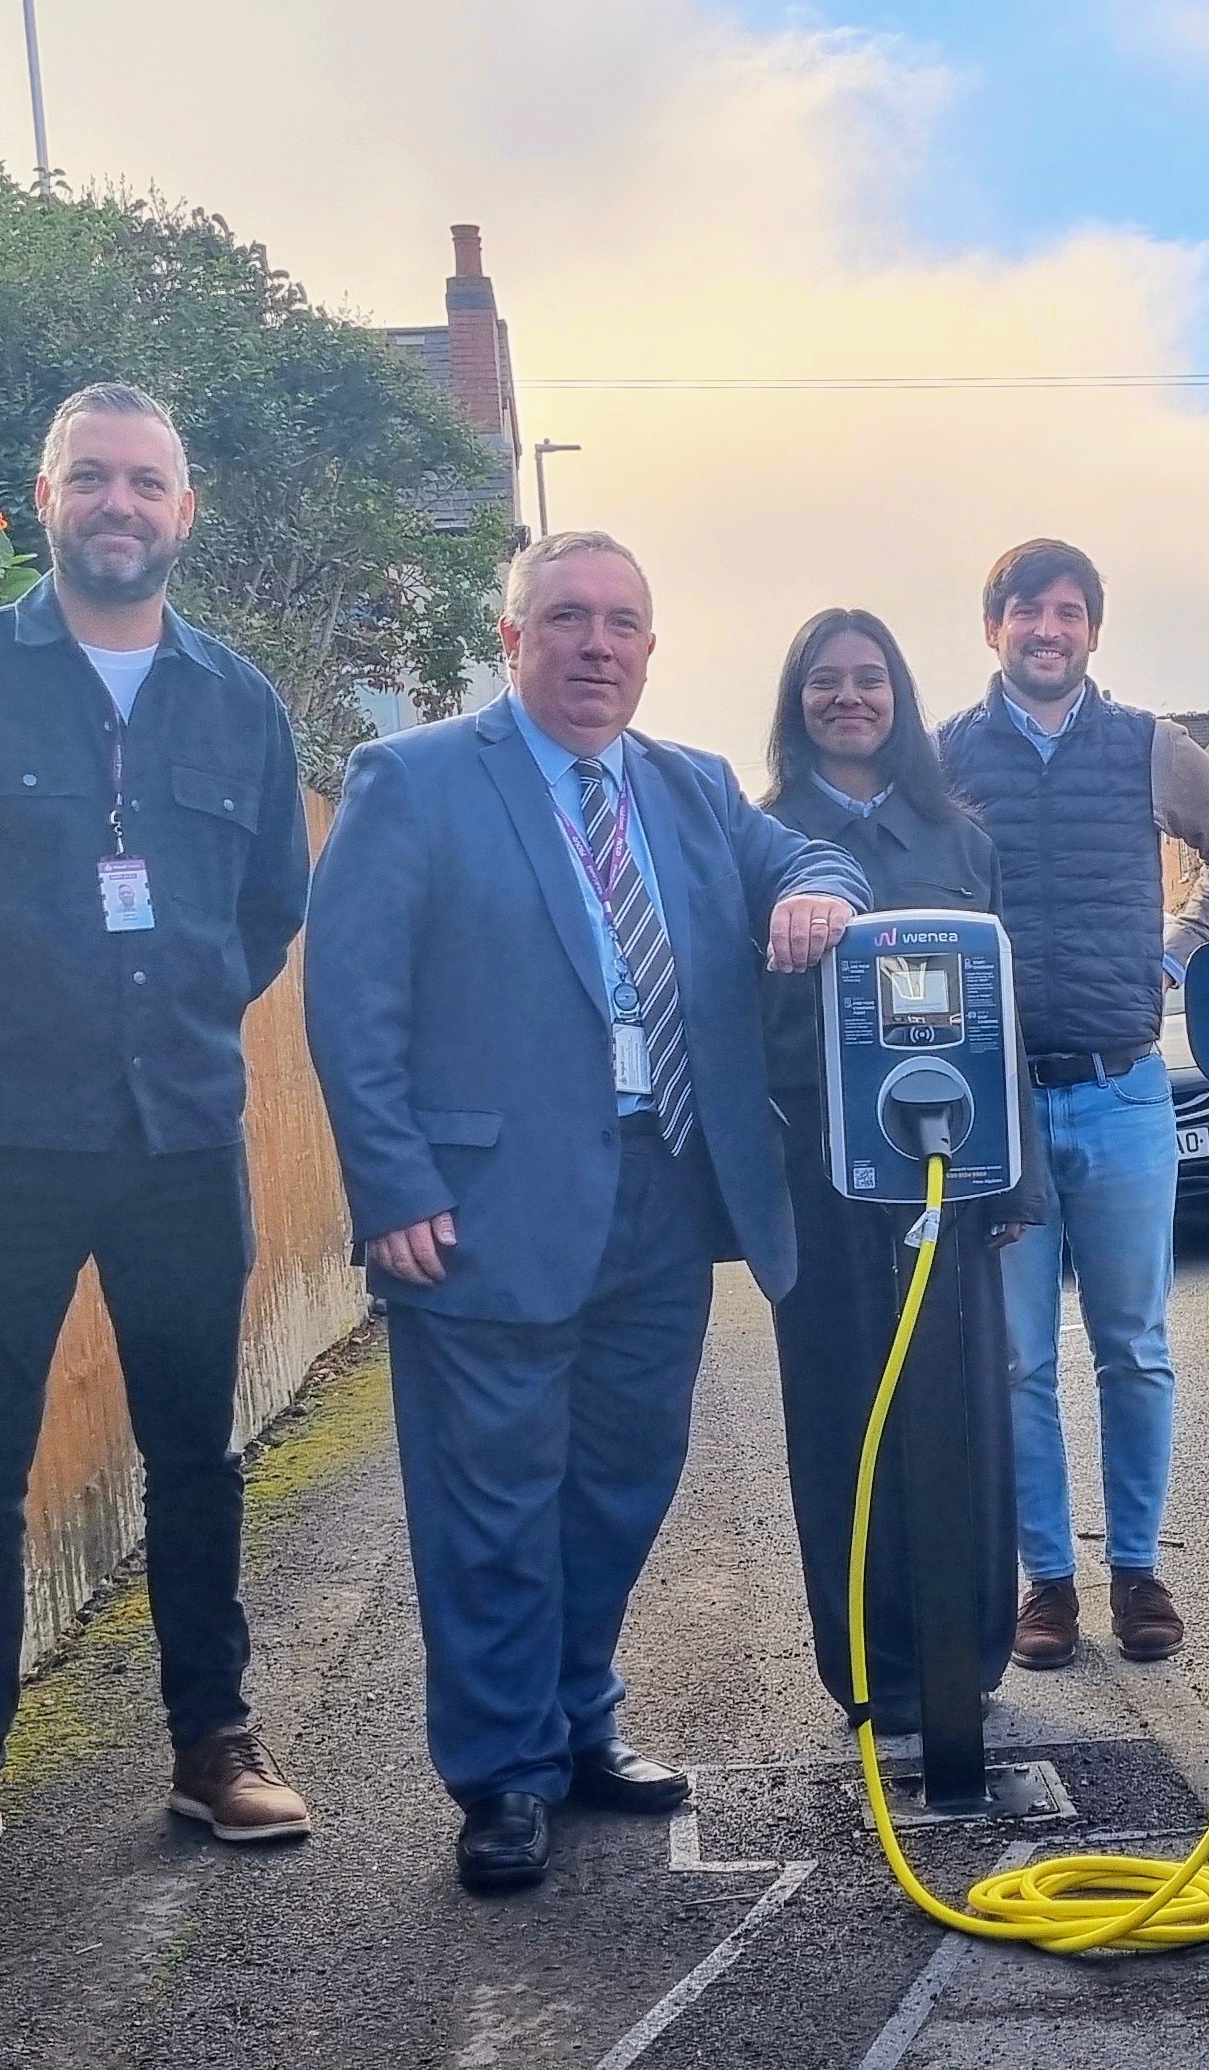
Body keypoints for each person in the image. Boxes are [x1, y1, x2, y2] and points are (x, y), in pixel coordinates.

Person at [302, 532, 865, 1894]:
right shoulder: (417, 779)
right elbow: (352, 997)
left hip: (665, 1192)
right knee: (492, 1502)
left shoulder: (693, 788)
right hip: (483, 1205)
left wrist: (808, 892)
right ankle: (501, 1772)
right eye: (566, 617)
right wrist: (392, 1185)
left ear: (652, 649)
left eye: (622, 621)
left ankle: (576, 1723)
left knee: (618, 1484)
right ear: (514, 639)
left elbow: (821, 861)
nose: (596, 643)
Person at [0, 383, 316, 1893]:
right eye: (90, 478)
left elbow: (270, 908)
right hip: (1, 1135)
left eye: (146, 482)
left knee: (197, 1451)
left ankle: (212, 1742)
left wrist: (179, 1018)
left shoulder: (238, 702)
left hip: (181, 1136)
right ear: (44, 499)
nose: (119, 504)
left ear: (185, 509)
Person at [934, 539, 1209, 1672]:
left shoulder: (1147, 747)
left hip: (1121, 1088)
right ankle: (1046, 1584)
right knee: (1021, 1358)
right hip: (1002, 1107)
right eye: (1027, 611)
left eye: (1069, 612)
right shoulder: (945, 757)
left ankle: (1134, 1569)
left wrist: (1177, 958)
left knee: (1132, 1346)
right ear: (994, 628)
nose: (1048, 629)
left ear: (1091, 631)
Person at [756, 608, 1040, 1732]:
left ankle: (967, 1653)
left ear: (899, 697)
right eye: (825, 681)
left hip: (951, 1176)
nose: (849, 699)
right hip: (822, 1175)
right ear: (797, 701)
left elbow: (998, 1017)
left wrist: (1015, 1183)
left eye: (869, 680)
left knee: (963, 1405)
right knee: (837, 1408)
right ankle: (867, 1665)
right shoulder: (762, 834)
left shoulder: (959, 838)